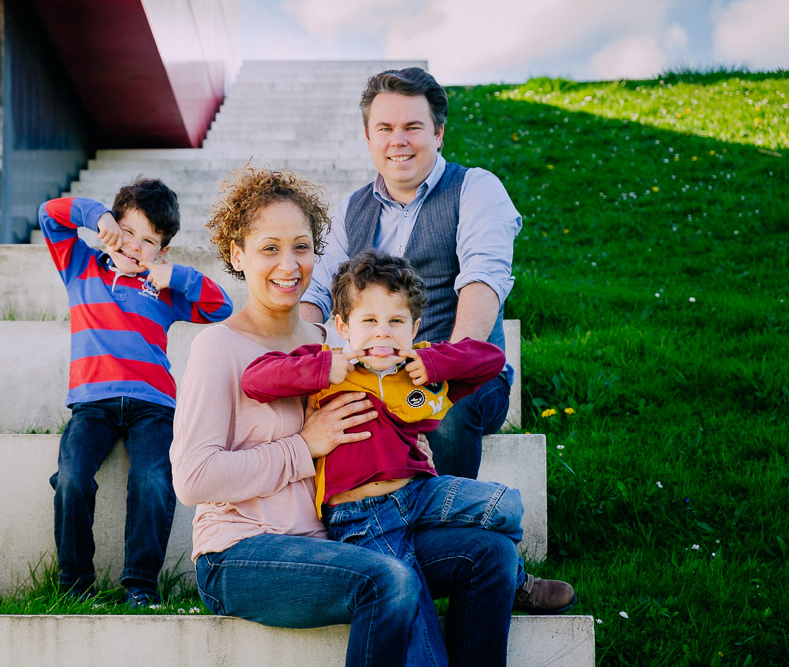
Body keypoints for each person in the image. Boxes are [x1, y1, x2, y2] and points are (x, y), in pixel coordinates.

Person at [171, 167, 521, 666]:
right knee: (387, 578)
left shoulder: (332, 347)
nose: (288, 264)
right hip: (243, 553)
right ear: (236, 254)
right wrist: (304, 446)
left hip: (337, 538)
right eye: (269, 248)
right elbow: (193, 479)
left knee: (491, 556)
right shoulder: (219, 347)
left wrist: (405, 443)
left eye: (301, 246)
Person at [299, 66, 575, 614]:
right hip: (372, 376)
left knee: (444, 416)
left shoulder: (476, 188)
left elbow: (483, 278)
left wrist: (442, 365)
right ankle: (370, 551)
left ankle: (498, 568)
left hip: (465, 375)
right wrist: (307, 352)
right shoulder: (352, 208)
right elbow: (316, 293)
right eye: (384, 128)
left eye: (412, 126)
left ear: (439, 132)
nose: (397, 140)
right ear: (368, 136)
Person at [242, 249, 527, 665]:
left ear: (414, 328)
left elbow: (491, 361)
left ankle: (516, 576)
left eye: (395, 322)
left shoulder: (418, 375)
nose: (383, 334)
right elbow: (256, 379)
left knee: (508, 505)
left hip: (418, 495)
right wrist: (326, 367)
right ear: (342, 327)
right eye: (369, 321)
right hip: (363, 516)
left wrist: (430, 361)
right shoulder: (330, 369)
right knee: (423, 648)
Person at [39, 179, 233, 605]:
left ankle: (141, 586)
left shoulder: (162, 289)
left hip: (154, 407)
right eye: (128, 232)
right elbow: (50, 215)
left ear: (161, 250)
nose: (134, 246)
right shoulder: (80, 266)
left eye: (148, 241)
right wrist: (98, 219)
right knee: (71, 479)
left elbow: (222, 308)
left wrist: (173, 275)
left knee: (154, 480)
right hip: (91, 405)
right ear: (113, 228)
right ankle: (75, 585)